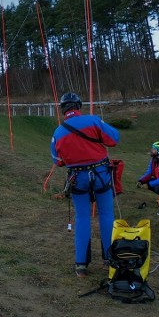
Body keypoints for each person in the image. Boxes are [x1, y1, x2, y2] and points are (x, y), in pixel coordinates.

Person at [50, 92, 120, 278]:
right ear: (78, 106)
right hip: (101, 174)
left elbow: (58, 161)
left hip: (77, 178)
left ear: (63, 109)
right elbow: (114, 139)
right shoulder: (93, 121)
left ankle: (81, 265)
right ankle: (109, 259)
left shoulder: (58, 132)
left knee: (82, 217)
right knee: (106, 214)